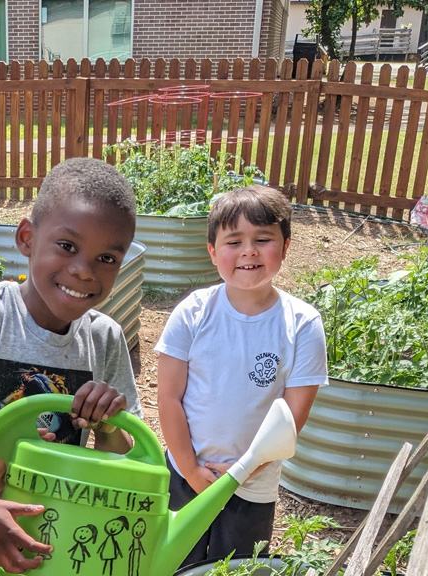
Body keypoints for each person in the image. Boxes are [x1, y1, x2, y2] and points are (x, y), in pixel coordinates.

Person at [0, 157, 144, 575]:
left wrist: (108, 425)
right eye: (67, 246)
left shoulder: (104, 339)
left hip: (56, 550)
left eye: (107, 258)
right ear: (26, 237)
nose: (83, 271)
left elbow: (128, 459)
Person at [155, 185, 327, 568]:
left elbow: (291, 420)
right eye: (234, 241)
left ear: (284, 247)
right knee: (173, 564)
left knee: (237, 566)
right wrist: (193, 470)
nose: (249, 251)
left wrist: (240, 474)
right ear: (213, 251)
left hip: (253, 485)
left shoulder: (302, 324)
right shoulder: (193, 313)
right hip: (183, 475)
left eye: (263, 239)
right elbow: (168, 398)